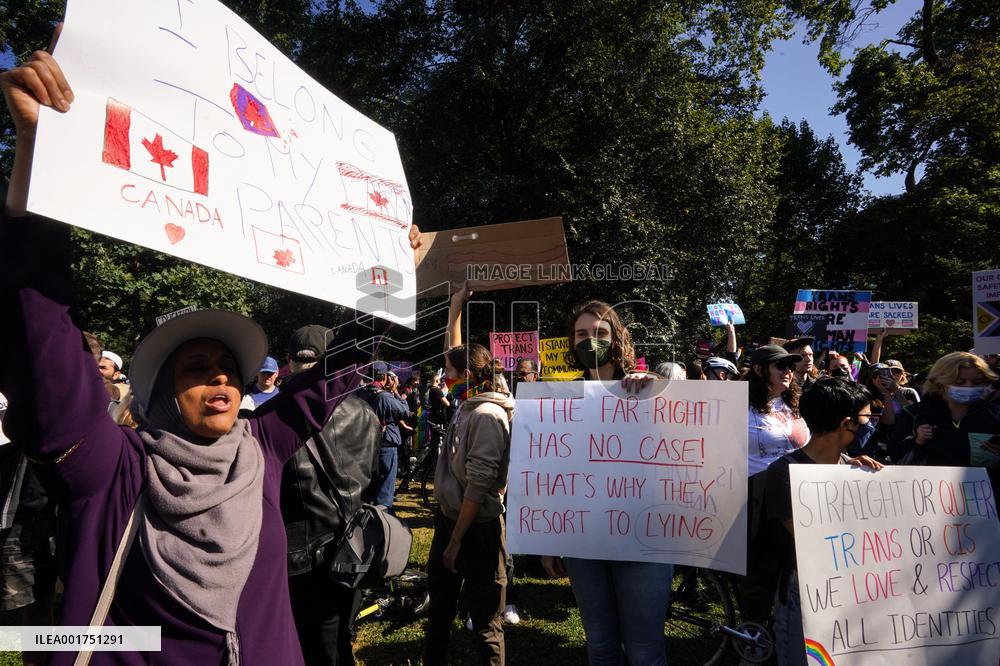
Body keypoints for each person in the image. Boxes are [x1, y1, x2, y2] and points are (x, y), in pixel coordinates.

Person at [0, 45, 422, 665]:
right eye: (196, 368)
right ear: (164, 391)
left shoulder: (263, 450)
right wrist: (38, 155)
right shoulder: (111, 468)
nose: (220, 377)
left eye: (228, 367)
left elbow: (337, 372)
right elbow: (44, 341)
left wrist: (388, 276)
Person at [542, 299, 672, 666]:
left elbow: (683, 419)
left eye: (599, 332)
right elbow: (551, 472)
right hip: (585, 542)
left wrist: (656, 385)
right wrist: (549, 539)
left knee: (645, 651)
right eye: (581, 334)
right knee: (599, 645)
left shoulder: (645, 388)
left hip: (644, 540)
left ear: (616, 338)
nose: (590, 340)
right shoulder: (561, 399)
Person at [280, 325, 382, 666]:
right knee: (338, 638)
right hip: (352, 546)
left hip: (301, 555)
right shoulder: (366, 411)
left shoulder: (280, 413)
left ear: (290, 362)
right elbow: (374, 475)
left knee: (311, 647)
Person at [424, 283, 513, 665]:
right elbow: (453, 349)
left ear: (467, 375)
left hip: (476, 529)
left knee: (485, 623)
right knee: (439, 613)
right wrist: (456, 305)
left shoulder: (488, 415)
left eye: (449, 370)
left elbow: (479, 486)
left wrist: (456, 541)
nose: (444, 375)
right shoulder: (468, 398)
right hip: (450, 522)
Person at [766, 378, 882, 665]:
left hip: (854, 590)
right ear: (847, 424)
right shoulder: (785, 472)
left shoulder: (853, 468)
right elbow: (808, 539)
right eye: (866, 418)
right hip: (806, 595)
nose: (870, 424)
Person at [889, 352, 999, 489]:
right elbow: (896, 461)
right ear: (940, 383)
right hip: (931, 500)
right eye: (960, 382)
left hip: (985, 503)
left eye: (977, 382)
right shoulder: (914, 414)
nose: (969, 386)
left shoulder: (994, 415)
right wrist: (916, 442)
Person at [356, 362, 410, 509]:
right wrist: (396, 391)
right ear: (385, 377)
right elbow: (405, 411)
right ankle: (384, 520)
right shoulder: (385, 397)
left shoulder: (358, 393)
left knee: (368, 487)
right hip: (385, 446)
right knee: (385, 490)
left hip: (363, 446)